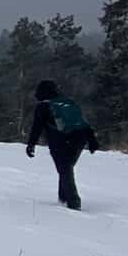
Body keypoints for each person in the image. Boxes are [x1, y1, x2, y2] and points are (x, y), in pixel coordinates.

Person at [26, 78, 98, 210]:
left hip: (59, 140)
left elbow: (37, 127)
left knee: (64, 169)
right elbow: (82, 122)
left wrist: (31, 144)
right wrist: (92, 140)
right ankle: (63, 198)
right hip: (80, 138)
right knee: (66, 168)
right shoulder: (68, 102)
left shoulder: (43, 106)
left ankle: (73, 202)